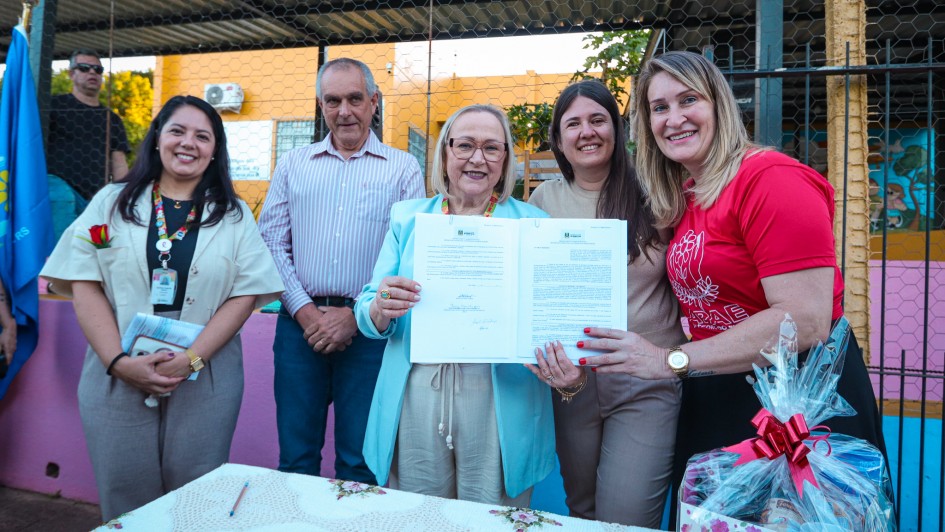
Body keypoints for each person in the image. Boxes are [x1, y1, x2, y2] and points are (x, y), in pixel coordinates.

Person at [577, 51, 887, 525]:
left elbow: (805, 320)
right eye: (659, 108)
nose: (674, 118)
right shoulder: (689, 195)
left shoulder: (771, 179)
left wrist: (667, 360)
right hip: (719, 388)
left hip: (799, 402)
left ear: (719, 104)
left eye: (688, 100)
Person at [40, 95, 283, 521]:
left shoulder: (234, 215)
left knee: (196, 497)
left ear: (214, 149)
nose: (188, 143)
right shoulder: (110, 203)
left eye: (202, 136)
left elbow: (246, 293)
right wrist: (118, 362)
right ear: (157, 139)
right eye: (177, 131)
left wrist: (192, 358)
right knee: (125, 497)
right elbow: (84, 280)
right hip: (118, 365)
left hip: (204, 370)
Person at [354, 104, 554, 505]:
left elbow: (547, 314)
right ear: (445, 154)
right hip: (418, 394)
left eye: (491, 148)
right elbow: (367, 307)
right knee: (417, 514)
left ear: (505, 160)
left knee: (494, 514)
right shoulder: (407, 219)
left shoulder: (533, 223)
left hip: (499, 396)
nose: (477, 158)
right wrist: (381, 307)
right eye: (464, 145)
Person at [524, 80, 686, 528]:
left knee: (626, 518)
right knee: (583, 512)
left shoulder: (658, 192)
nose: (586, 132)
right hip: (571, 382)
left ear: (617, 129)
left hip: (644, 380)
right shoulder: (542, 201)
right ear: (558, 139)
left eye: (597, 120)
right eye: (572, 124)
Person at [258, 57, 425, 483]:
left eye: (355, 99)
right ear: (321, 105)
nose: (344, 111)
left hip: (370, 333)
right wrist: (306, 312)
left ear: (374, 101)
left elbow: (410, 255)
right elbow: (272, 242)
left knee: (361, 463)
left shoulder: (403, 168)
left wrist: (355, 317)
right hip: (299, 329)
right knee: (295, 461)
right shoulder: (293, 164)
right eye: (333, 101)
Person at [46, 50, 130, 236]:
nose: (92, 73)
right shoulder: (54, 105)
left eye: (97, 70)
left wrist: (124, 196)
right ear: (71, 74)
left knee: (87, 252)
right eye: (84, 68)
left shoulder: (112, 119)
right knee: (60, 249)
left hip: (94, 197)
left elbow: (119, 163)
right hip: (58, 190)